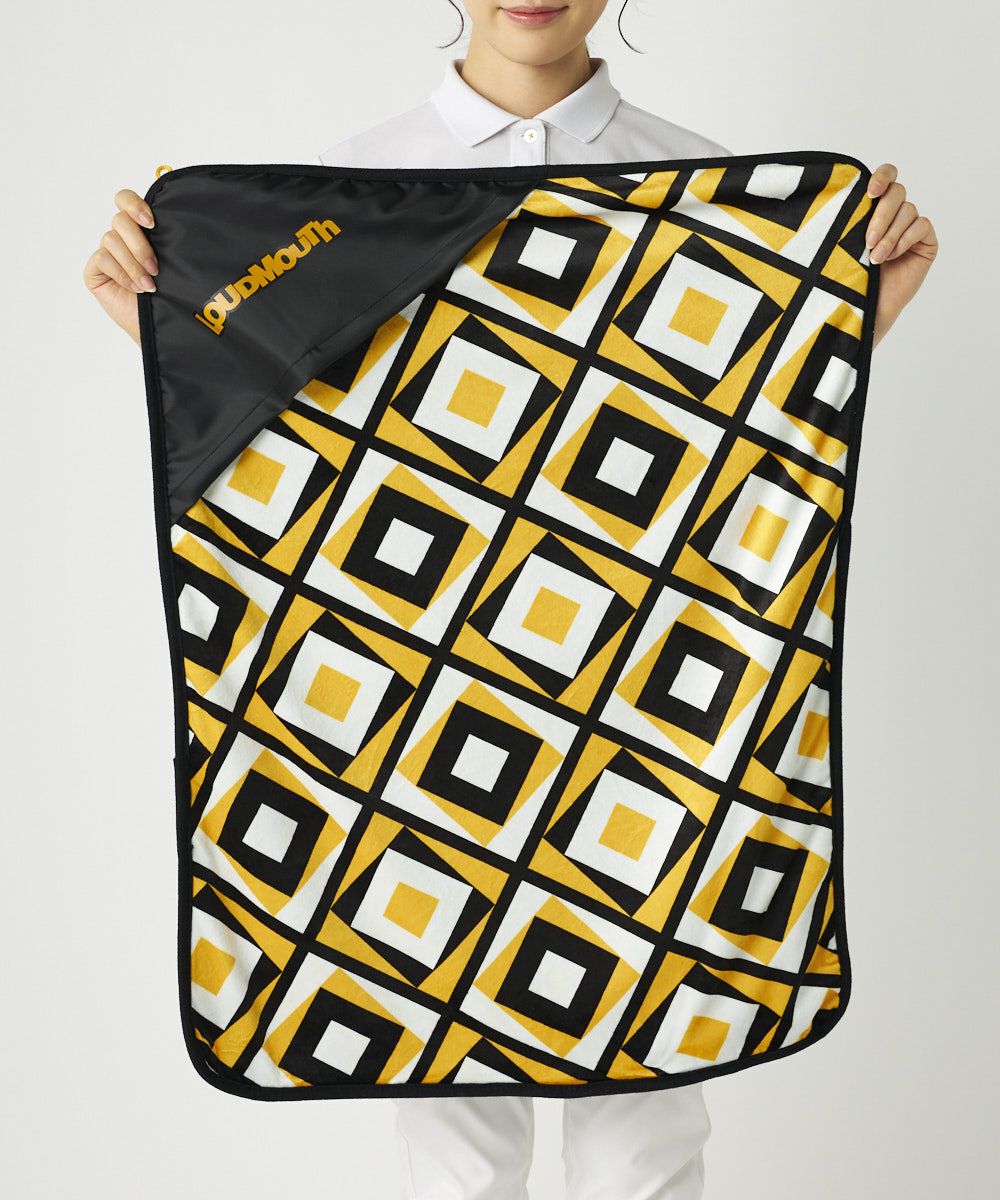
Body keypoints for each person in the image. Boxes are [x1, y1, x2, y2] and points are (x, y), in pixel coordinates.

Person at [82, 3, 938, 1197]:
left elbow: (745, 455)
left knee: (644, 1112)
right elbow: (287, 448)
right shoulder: (332, 190)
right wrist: (168, 322)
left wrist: (856, 317)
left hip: (643, 709)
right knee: (446, 1122)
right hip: (408, 709)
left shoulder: (722, 191)